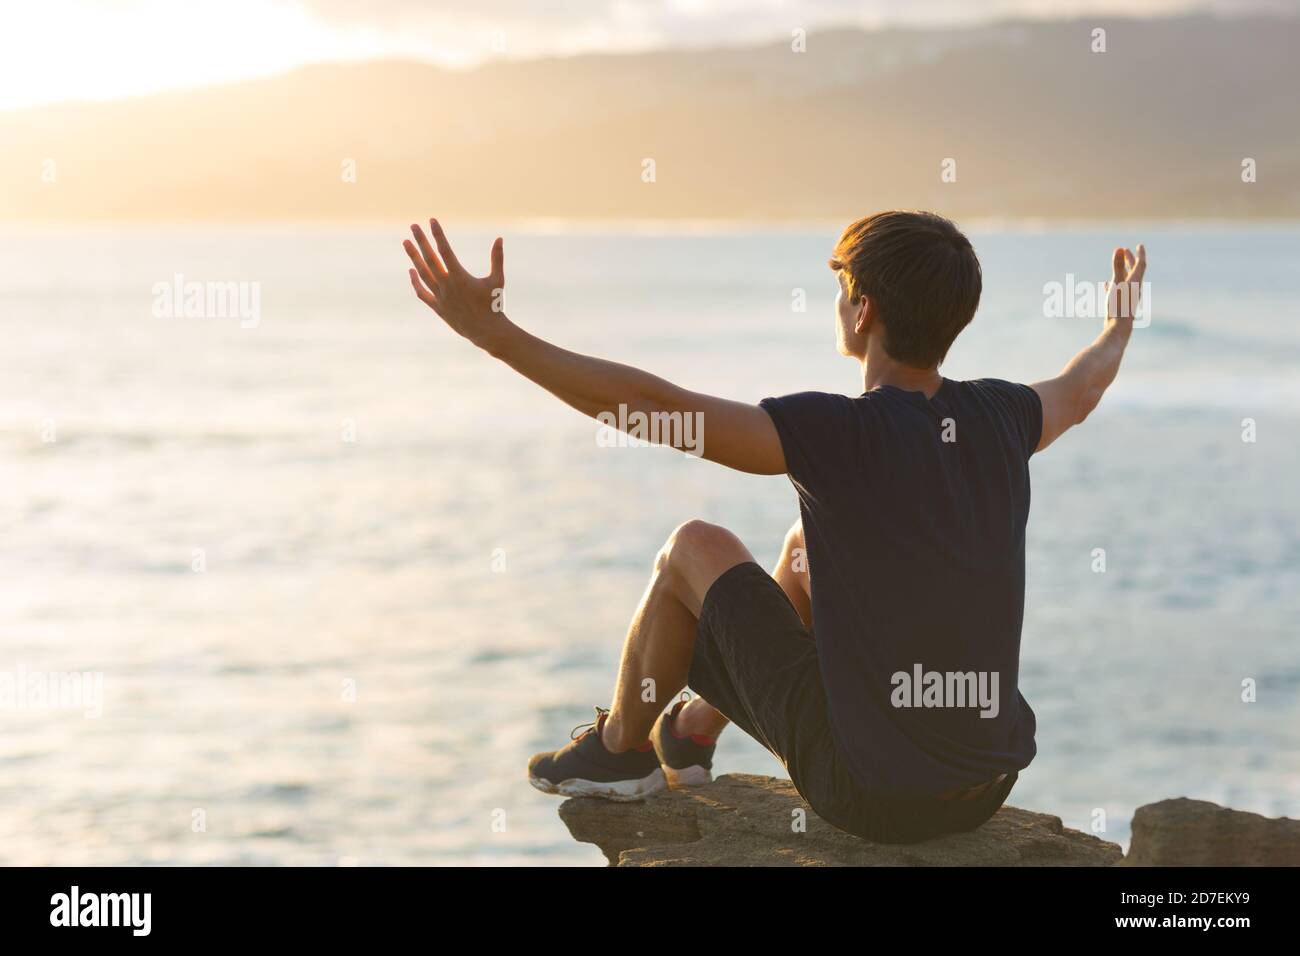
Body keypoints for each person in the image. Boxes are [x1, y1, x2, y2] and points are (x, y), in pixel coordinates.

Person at [402, 211, 1146, 843]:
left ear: (864, 311)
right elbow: (1082, 387)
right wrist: (1118, 323)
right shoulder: (1002, 414)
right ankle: (692, 731)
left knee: (694, 547)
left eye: (840, 292)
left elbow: (653, 405)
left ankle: (618, 752)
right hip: (985, 785)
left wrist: (497, 336)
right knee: (800, 551)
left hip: (873, 800)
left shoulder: (837, 431)